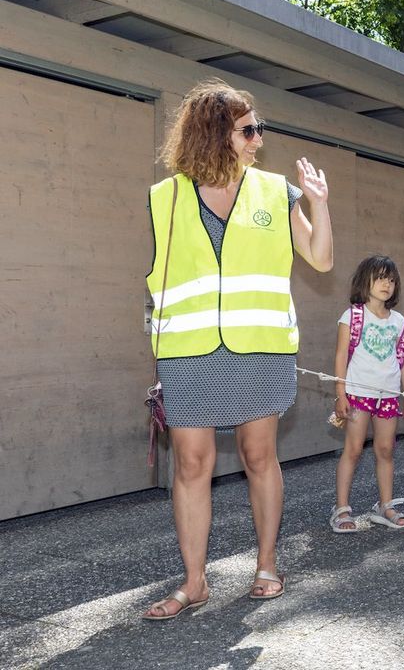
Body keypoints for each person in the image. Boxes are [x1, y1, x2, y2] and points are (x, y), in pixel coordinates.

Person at [142, 79, 333, 620]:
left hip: (259, 347)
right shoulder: (166, 198)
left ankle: (267, 564)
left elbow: (319, 259)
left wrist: (318, 204)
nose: (258, 138)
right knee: (191, 465)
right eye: (249, 130)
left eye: (258, 129)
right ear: (214, 133)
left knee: (258, 456)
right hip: (189, 351)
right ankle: (194, 582)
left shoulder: (275, 191)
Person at [329, 255, 404, 533]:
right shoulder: (352, 315)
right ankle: (341, 508)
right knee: (353, 450)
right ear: (365, 281)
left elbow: (403, 359)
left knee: (386, 449)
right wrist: (340, 392)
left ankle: (385, 505)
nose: (386, 285)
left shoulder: (399, 321)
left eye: (391, 280)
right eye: (379, 278)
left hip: (388, 395)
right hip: (357, 393)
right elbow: (341, 355)